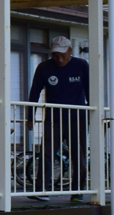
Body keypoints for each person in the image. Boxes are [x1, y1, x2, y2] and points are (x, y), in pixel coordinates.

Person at [25, 37, 89, 201]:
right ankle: (40, 190)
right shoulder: (44, 68)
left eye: (62, 55)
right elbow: (35, 92)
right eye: (55, 55)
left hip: (77, 117)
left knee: (78, 155)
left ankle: (77, 191)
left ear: (70, 51)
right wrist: (30, 116)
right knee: (47, 153)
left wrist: (93, 116)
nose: (59, 59)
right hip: (54, 117)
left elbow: (91, 92)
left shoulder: (81, 65)